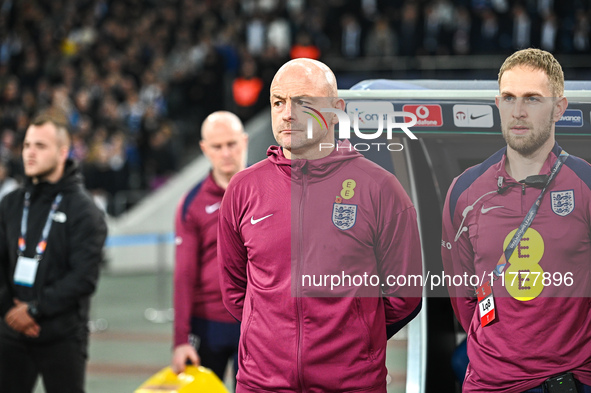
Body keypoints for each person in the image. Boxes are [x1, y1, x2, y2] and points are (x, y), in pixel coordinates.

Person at [217, 58, 422, 392]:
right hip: (261, 384)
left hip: (351, 384)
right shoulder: (243, 189)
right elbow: (234, 289)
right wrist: (275, 339)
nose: (287, 114)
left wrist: (353, 338)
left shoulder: (380, 189)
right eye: (278, 102)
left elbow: (404, 295)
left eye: (303, 102)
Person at [442, 48, 591, 392]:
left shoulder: (584, 184)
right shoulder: (464, 190)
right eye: (509, 98)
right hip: (489, 383)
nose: (518, 111)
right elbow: (462, 292)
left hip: (569, 382)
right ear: (497, 104)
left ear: (559, 108)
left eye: (532, 99)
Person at [0, 109, 107, 393]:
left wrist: (34, 310)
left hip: (63, 336)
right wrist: (10, 310)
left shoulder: (85, 211)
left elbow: (83, 277)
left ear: (63, 152)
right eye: (26, 145)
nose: (29, 153)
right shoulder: (10, 204)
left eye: (40, 146)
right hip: (11, 330)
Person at [171, 111, 248, 386]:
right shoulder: (192, 203)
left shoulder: (266, 191)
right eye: (217, 146)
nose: (226, 152)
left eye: (232, 144)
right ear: (204, 149)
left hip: (254, 323)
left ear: (245, 141)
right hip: (207, 325)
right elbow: (184, 275)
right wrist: (180, 340)